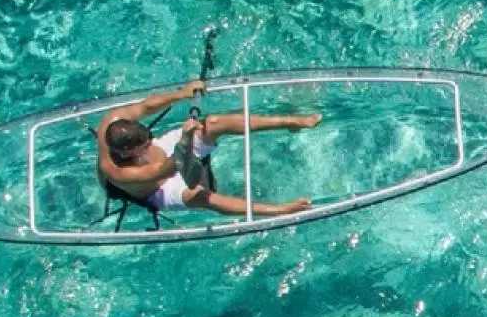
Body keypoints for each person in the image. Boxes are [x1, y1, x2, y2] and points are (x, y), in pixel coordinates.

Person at [96, 79, 320, 216]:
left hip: (170, 153)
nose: (148, 146)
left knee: (214, 123)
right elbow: (169, 168)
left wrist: (182, 93)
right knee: (200, 196)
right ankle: (277, 210)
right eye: (144, 147)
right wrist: (186, 138)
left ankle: (290, 122)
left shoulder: (112, 120)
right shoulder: (120, 173)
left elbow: (146, 105)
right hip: (159, 187)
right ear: (127, 153)